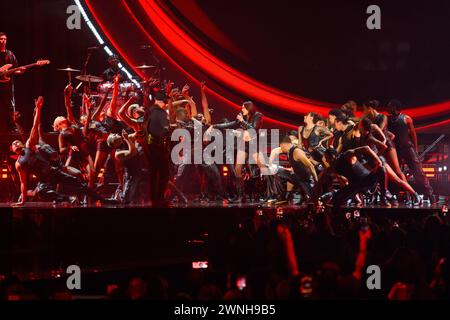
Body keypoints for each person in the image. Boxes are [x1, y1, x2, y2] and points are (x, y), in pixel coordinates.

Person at [11, 97, 113, 206]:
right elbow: (23, 182)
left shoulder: (30, 146)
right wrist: (22, 201)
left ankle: (99, 200)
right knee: (41, 191)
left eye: (16, 142)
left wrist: (39, 110)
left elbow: (35, 126)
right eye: (13, 144)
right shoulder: (18, 163)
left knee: (80, 179)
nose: (16, 143)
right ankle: (67, 198)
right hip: (47, 176)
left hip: (57, 169)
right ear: (12, 150)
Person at [387, 100, 435, 203]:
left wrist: (416, 149)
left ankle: (430, 194)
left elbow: (413, 134)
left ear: (394, 107)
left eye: (389, 106)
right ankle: (399, 195)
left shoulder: (406, 118)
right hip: (395, 149)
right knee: (396, 173)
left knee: (418, 171)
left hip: (407, 148)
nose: (387, 108)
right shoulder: (387, 119)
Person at [322, 147, 391, 210]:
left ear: (333, 156)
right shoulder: (334, 167)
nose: (326, 160)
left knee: (382, 169)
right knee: (335, 200)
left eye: (327, 158)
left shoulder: (347, 155)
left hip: (367, 180)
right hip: (355, 185)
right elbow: (343, 182)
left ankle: (383, 198)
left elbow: (366, 148)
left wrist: (378, 160)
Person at [147, 90, 171, 207]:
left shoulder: (149, 111)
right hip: (158, 147)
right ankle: (160, 198)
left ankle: (153, 199)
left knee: (153, 174)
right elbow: (166, 129)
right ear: (163, 102)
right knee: (164, 173)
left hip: (149, 147)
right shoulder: (161, 113)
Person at [0, 32, 24, 132]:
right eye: (1, 39)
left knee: (10, 106)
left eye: (5, 39)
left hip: (7, 85)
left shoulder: (10, 54)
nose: (3, 41)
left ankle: (12, 128)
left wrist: (20, 71)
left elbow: (16, 69)